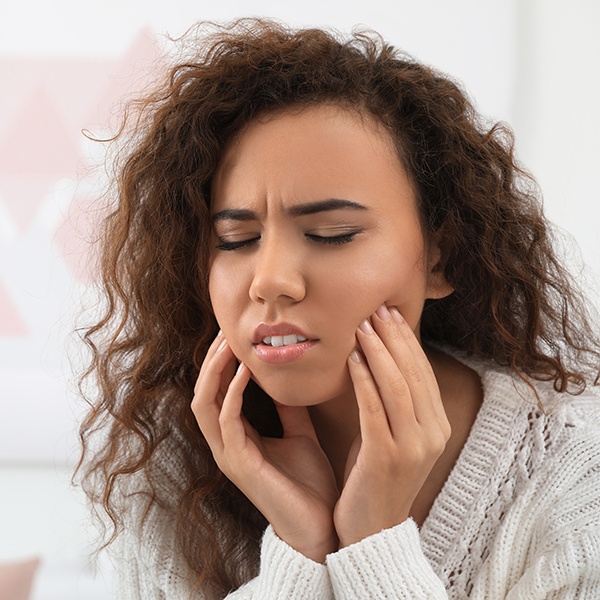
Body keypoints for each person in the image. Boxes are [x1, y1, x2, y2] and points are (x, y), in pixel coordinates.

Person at [77, 18, 600, 599]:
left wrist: (375, 546)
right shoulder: (166, 468)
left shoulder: (577, 475)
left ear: (440, 259)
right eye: (235, 240)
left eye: (332, 233)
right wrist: (300, 550)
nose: (270, 280)